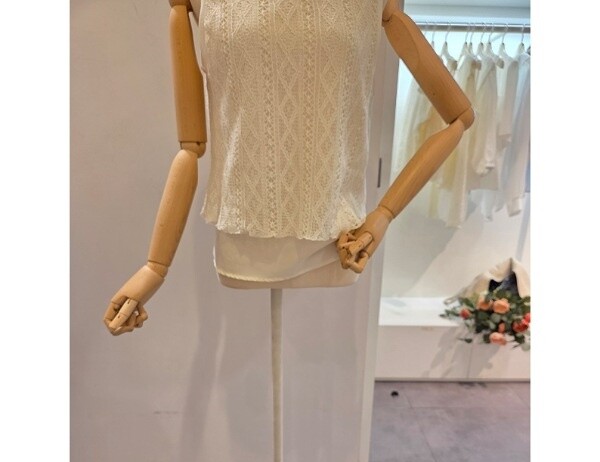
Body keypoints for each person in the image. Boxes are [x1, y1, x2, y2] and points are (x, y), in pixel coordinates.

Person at [103, 0, 474, 335]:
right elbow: (190, 147)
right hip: (244, 246)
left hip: (339, 243)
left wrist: (382, 216)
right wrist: (155, 267)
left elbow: (458, 117)